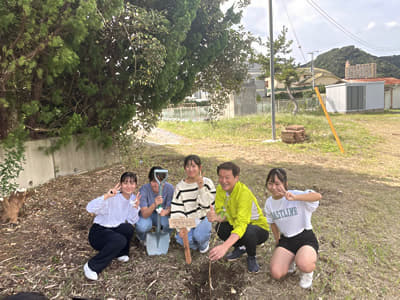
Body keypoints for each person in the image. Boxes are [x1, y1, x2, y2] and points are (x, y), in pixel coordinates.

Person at [264, 168, 321, 289]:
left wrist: (295, 198)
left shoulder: (295, 194)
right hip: (287, 240)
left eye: (277, 184)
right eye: (270, 183)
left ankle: (307, 273)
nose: (273, 187)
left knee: (305, 264)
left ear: (285, 184)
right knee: (276, 273)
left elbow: (317, 196)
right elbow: (272, 223)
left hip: (305, 237)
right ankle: (291, 259)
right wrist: (277, 240)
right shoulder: (269, 203)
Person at [208, 162, 269, 273]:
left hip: (258, 229)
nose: (223, 181)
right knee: (220, 228)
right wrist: (217, 217)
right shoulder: (221, 189)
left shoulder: (244, 194)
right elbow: (224, 214)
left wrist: (225, 246)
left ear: (236, 178)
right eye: (220, 177)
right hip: (237, 223)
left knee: (248, 231)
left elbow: (242, 224)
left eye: (227, 177)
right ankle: (240, 247)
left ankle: (251, 256)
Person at [84, 172, 141, 281]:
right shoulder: (113, 197)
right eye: (125, 183)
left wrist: (135, 208)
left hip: (113, 229)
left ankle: (121, 253)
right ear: (120, 184)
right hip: (98, 232)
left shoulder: (133, 199)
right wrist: (106, 196)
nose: (129, 186)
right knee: (120, 240)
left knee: (129, 229)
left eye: (132, 183)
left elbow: (132, 220)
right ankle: (91, 266)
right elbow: (89, 208)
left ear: (136, 185)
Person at [170, 154, 216, 253]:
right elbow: (177, 208)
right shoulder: (180, 187)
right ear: (184, 168)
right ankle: (195, 245)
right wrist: (181, 228)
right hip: (188, 219)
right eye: (188, 166)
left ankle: (203, 244)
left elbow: (207, 206)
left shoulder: (207, 182)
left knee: (199, 236)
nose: (190, 169)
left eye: (193, 166)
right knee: (179, 238)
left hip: (203, 216)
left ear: (200, 167)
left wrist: (201, 188)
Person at [136, 166, 174, 245]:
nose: (157, 185)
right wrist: (154, 204)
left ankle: (165, 235)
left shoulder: (169, 188)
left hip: (161, 214)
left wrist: (166, 211)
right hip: (148, 214)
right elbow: (144, 214)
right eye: (154, 181)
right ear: (149, 181)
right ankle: (142, 238)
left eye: (160, 181)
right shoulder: (144, 189)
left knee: (170, 222)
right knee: (142, 226)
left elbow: (170, 207)